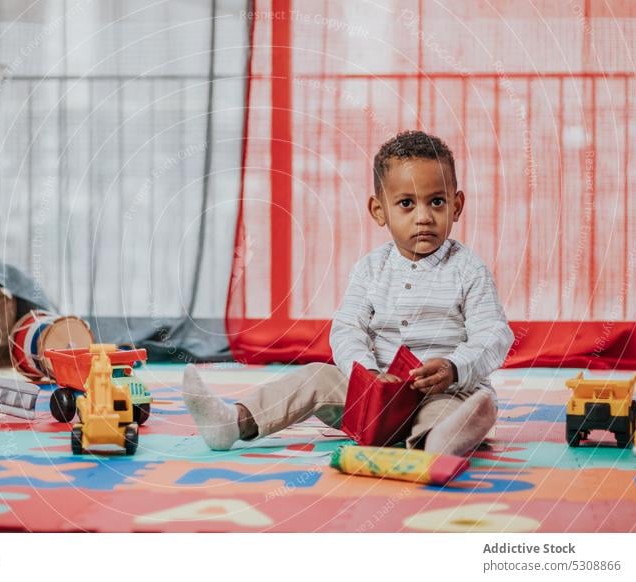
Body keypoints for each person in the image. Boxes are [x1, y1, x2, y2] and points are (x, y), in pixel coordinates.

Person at [182, 130, 514, 456]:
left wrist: (454, 368)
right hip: (374, 400)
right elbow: (347, 328)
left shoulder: (469, 270)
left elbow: (493, 335)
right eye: (406, 204)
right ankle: (234, 422)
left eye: (437, 202)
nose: (423, 217)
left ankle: (442, 442)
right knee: (315, 376)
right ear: (379, 210)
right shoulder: (370, 269)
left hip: (444, 393)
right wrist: (365, 373)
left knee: (448, 413)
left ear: (456, 205)